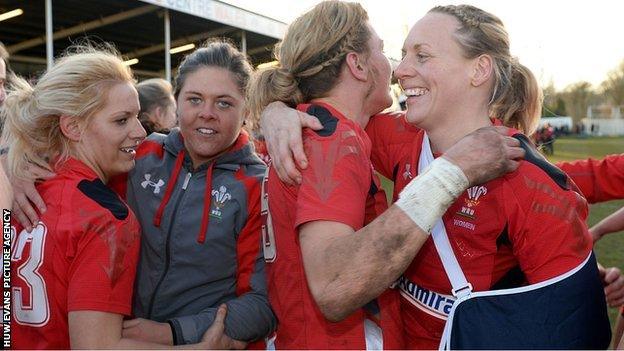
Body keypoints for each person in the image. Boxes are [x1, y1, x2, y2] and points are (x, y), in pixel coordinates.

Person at [260, 4, 610, 349]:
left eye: (422, 56)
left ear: (479, 70)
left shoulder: (529, 181)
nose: (400, 71)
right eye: (400, 54)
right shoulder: (396, 138)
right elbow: (330, 114)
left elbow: (574, 330)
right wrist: (277, 111)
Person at [2, 45, 220, 349]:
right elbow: (97, 347)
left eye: (137, 117)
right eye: (121, 120)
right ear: (72, 127)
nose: (139, 132)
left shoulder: (20, 186)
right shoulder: (104, 216)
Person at [118, 39, 276, 348]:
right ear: (176, 102)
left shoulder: (258, 185)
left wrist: (173, 332)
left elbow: (263, 303)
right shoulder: (142, 154)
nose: (207, 113)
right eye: (194, 99)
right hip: (124, 339)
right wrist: (17, 167)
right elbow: (72, 158)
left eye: (224, 103)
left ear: (246, 111)